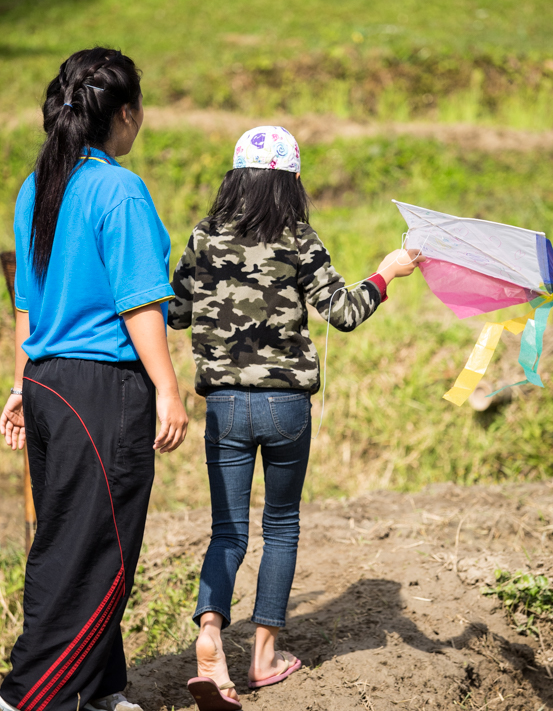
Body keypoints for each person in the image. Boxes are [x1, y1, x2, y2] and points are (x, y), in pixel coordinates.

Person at [168, 125, 424, 711]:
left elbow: (177, 314)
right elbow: (343, 311)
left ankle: (210, 635)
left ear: (235, 178)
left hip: (225, 408)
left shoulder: (204, 236)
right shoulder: (298, 237)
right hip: (286, 408)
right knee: (280, 525)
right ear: (292, 184)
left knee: (227, 531)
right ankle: (262, 657)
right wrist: (386, 272)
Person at [0, 48, 188, 711]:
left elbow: (27, 298)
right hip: (100, 390)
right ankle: (28, 696)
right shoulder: (119, 188)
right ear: (126, 114)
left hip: (50, 384)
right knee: (94, 551)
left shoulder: (38, 184)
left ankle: (99, 689)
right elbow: (139, 298)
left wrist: (22, 382)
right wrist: (167, 386)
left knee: (73, 533)